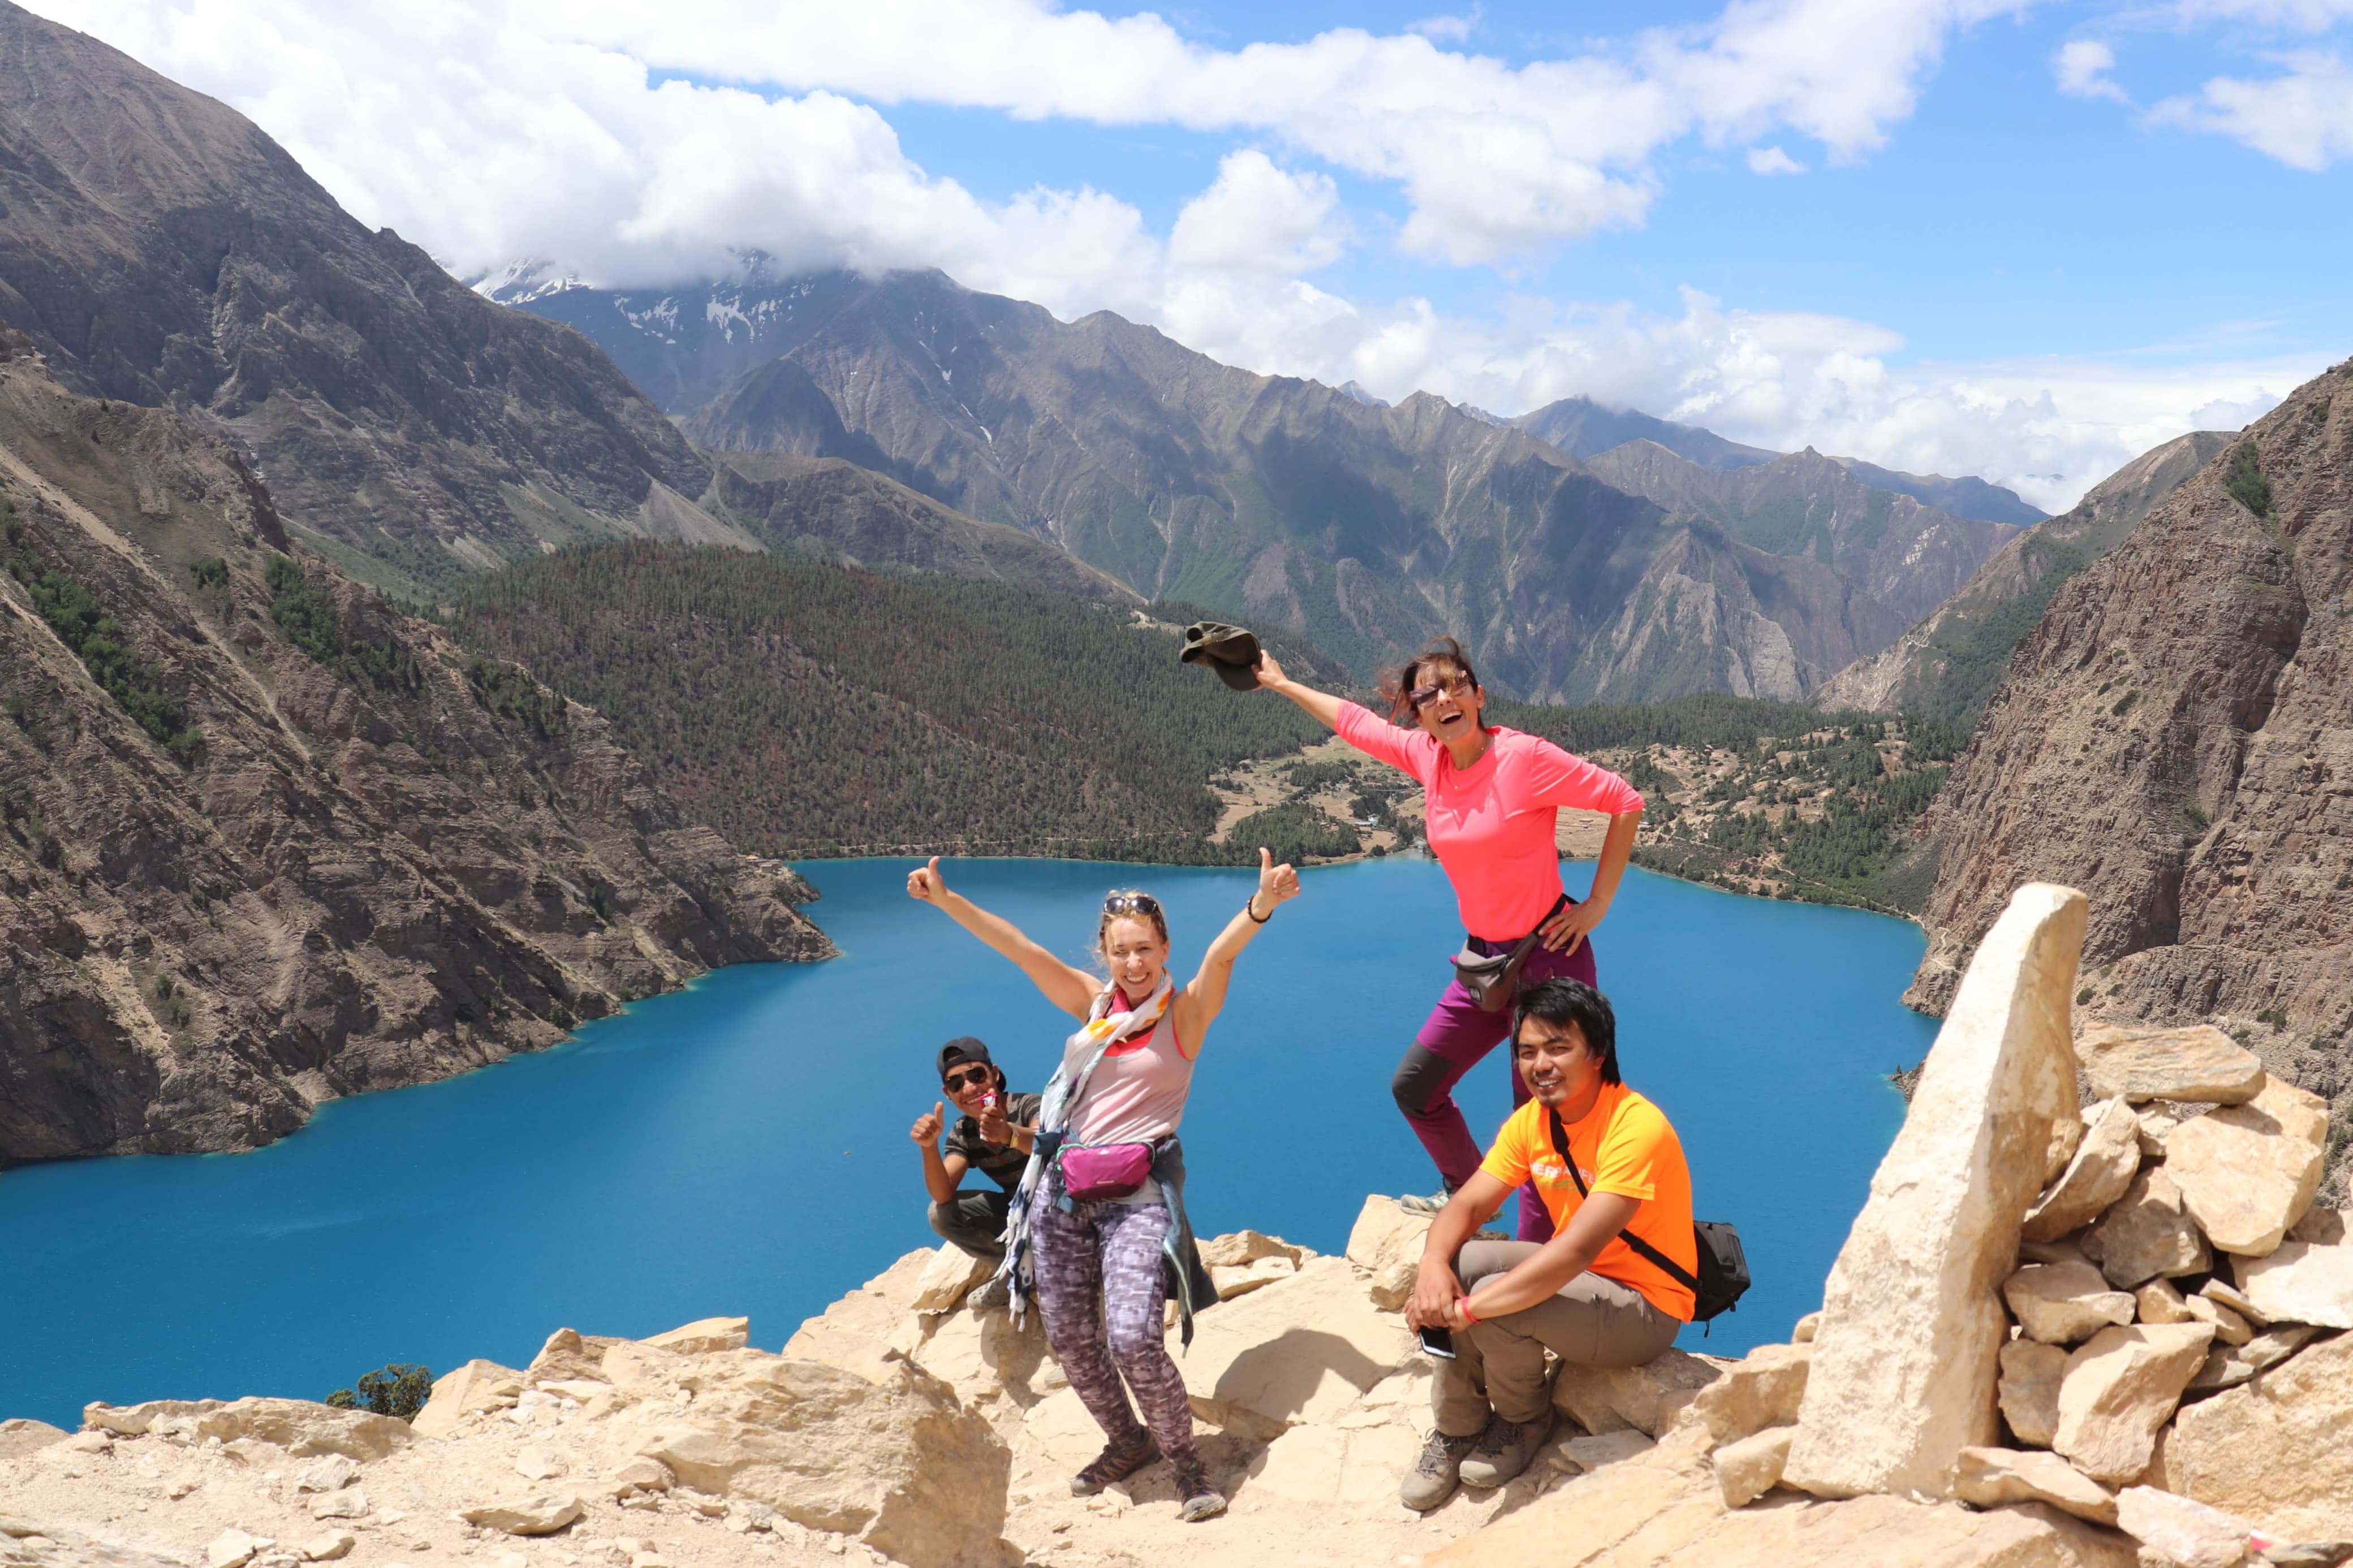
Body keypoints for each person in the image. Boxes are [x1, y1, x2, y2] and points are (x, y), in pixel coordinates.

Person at [907, 849, 1302, 1523]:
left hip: (1136, 1196)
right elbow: (1019, 949)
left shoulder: (1185, 1015)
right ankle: (1128, 1441)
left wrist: (1260, 904)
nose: (1132, 963)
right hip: (1062, 1192)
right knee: (1068, 1336)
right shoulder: (1093, 1008)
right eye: (1119, 951)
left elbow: (1222, 958)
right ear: (1104, 953)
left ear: (1163, 946)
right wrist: (947, 901)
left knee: (1132, 1336)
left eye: (1144, 948)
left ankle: (1186, 1463)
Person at [1255, 637, 1645, 1241]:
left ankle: (1535, 1268)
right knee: (1415, 1086)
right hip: (1485, 963)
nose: (1443, 699)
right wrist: (1281, 685)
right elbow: (1355, 724)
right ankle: (1472, 1192)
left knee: (1538, 1121)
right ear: (1419, 717)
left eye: (1454, 685)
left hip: (1549, 963)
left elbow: (1624, 800)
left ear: (1478, 694)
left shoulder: (1523, 757)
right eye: (1426, 695)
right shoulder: (1427, 757)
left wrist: (1595, 904)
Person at [1398, 978, 1696, 1510]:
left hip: (1644, 1306)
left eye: (1559, 1047)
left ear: (1599, 1053)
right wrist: (1431, 1266)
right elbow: (1466, 1206)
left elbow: (1575, 1251)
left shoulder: (1636, 1126)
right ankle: (1457, 1426)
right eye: (1528, 1051)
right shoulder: (1534, 1122)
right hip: (1585, 1285)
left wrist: (1471, 1308)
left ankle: (1522, 1420)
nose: (1541, 1064)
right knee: (1462, 1259)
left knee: (1496, 1299)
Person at [910, 1037, 1043, 1291]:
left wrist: (1008, 1134)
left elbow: (1046, 1144)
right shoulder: (964, 1132)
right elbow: (942, 1194)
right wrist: (928, 1148)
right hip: (1021, 1213)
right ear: (947, 1094)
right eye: (956, 1083)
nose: (969, 1088)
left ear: (994, 1074)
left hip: (1064, 1205)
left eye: (976, 1076)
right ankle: (1014, 1272)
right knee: (942, 1214)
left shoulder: (1030, 1105)